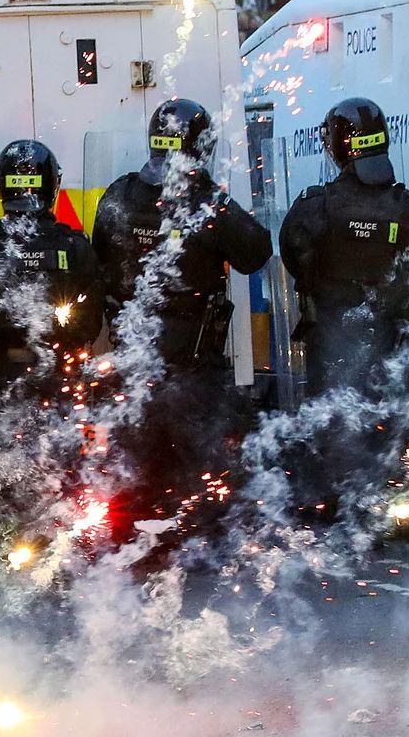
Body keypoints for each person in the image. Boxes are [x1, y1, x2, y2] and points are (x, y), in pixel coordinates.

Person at [90, 98, 271, 539]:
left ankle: (130, 542)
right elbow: (257, 252)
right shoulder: (208, 205)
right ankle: (191, 544)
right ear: (201, 147)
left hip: (132, 358)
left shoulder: (118, 195)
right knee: (200, 468)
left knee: (133, 462)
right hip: (192, 366)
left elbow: (98, 261)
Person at [277, 97, 409, 519]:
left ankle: (333, 506)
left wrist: (324, 289)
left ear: (338, 147)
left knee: (332, 419)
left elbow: (293, 252)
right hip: (390, 339)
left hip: (331, 336)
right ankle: (391, 507)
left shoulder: (317, 206)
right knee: (387, 416)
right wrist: (396, 306)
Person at [0, 139, 104, 400]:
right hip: (59, 380)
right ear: (52, 187)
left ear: (1, 187)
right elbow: (89, 324)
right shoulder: (75, 248)